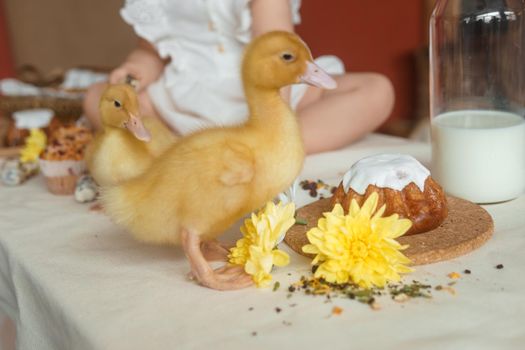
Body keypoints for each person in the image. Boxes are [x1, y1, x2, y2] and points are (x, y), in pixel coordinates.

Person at [83, 0, 394, 154]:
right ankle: (180, 151)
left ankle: (273, 144)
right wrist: (134, 72)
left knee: (376, 91)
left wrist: (275, 118)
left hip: (261, 93)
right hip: (184, 101)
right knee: (96, 97)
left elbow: (276, 47)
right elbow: (150, 51)